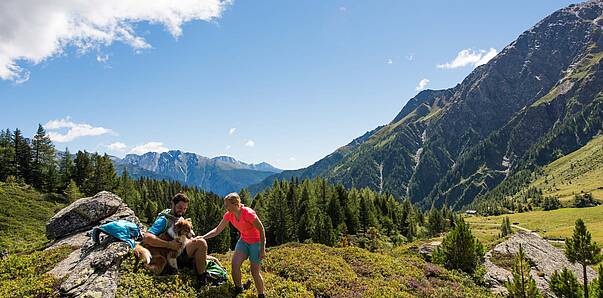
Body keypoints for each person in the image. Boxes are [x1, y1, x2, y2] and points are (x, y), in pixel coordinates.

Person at [202, 192, 266, 297]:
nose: (225, 207)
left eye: (227, 205)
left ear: (235, 204)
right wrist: (203, 237)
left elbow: (261, 230)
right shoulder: (229, 215)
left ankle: (261, 295)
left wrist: (262, 249)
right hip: (244, 240)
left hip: (256, 242)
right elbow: (217, 230)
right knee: (235, 265)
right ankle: (239, 289)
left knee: (255, 272)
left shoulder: (248, 214)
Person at [143, 193, 210, 283]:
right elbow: (147, 237)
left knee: (201, 244)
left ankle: (201, 273)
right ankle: (201, 280)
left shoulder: (179, 218)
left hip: (179, 250)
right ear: (173, 204)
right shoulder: (163, 220)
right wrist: (169, 245)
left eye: (185, 209)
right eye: (180, 207)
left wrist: (191, 240)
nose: (182, 211)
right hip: (169, 254)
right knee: (201, 243)